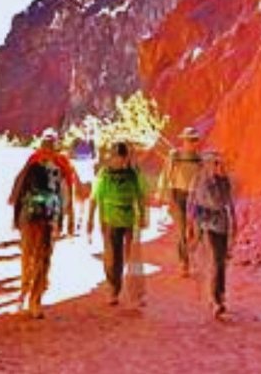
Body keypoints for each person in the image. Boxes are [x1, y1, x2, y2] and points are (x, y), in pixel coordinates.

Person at [8, 129, 76, 317]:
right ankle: (33, 296)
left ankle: (28, 288)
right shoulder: (60, 165)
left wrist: (15, 217)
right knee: (42, 257)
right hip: (46, 218)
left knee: (31, 253)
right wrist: (67, 219)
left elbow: (19, 190)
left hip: (32, 217)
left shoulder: (35, 163)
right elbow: (66, 194)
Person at [86, 141, 148, 306]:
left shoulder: (132, 174)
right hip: (110, 220)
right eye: (118, 157)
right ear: (112, 157)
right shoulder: (104, 174)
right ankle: (114, 289)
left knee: (133, 258)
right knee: (114, 257)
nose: (121, 161)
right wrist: (90, 219)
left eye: (124, 157)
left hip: (129, 220)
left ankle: (135, 293)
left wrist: (142, 216)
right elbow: (94, 198)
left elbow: (140, 196)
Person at [188, 150, 239, 319]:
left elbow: (229, 202)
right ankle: (216, 299)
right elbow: (215, 203)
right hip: (207, 226)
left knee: (221, 261)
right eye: (215, 163)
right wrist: (192, 226)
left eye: (220, 163)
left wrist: (234, 222)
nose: (219, 166)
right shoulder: (203, 183)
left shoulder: (223, 181)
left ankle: (219, 295)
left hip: (222, 225)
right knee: (217, 261)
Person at [157, 126, 204, 276]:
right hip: (178, 196)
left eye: (195, 140)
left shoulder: (199, 159)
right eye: (190, 140)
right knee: (183, 230)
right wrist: (161, 195)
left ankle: (189, 255)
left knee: (197, 231)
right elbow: (165, 175)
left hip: (195, 198)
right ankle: (184, 263)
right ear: (183, 140)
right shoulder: (174, 156)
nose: (193, 142)